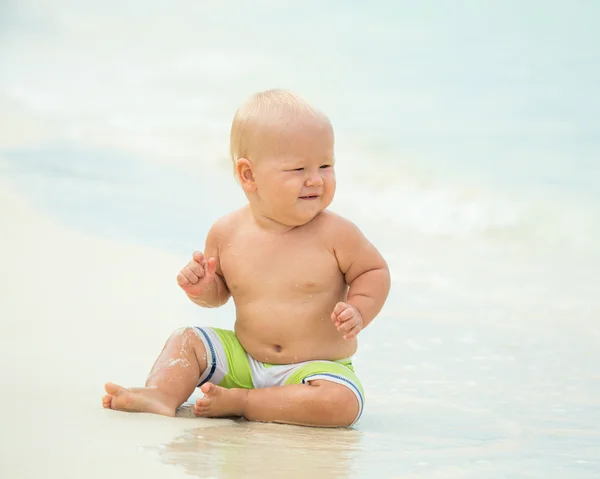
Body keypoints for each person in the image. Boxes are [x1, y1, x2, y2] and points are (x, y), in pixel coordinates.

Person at [102, 89, 391, 427]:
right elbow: (219, 295)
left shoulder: (336, 234)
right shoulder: (227, 233)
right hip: (244, 358)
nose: (315, 179)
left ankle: (245, 402)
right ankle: (161, 393)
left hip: (315, 368)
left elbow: (374, 270)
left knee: (341, 403)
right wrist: (202, 287)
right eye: (298, 168)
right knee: (187, 340)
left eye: (326, 165)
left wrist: (359, 308)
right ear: (248, 175)